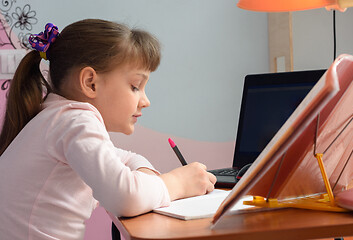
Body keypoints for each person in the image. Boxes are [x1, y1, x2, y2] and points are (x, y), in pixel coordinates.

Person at [0, 19, 216, 240]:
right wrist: (177, 183)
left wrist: (147, 178)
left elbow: (127, 158)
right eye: (135, 86)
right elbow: (124, 197)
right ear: (90, 82)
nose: (145, 101)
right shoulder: (76, 121)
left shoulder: (55, 118)